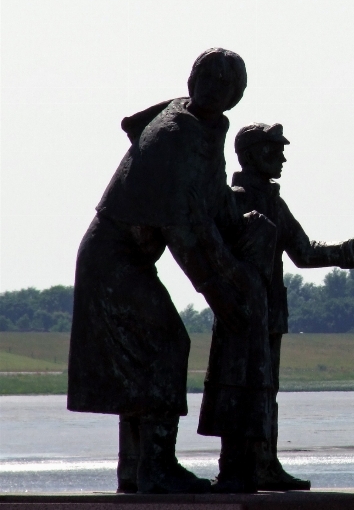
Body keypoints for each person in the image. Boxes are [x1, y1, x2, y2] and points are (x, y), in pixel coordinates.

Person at [68, 48, 275, 494]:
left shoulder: (204, 130)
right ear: (194, 82)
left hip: (129, 259)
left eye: (228, 86)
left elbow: (213, 200)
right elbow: (184, 230)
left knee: (147, 355)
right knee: (165, 343)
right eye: (212, 82)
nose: (219, 93)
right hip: (113, 259)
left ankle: (137, 468)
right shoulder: (173, 135)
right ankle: (155, 466)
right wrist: (224, 290)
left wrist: (242, 226)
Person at [197, 122, 354, 491]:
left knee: (266, 389)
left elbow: (302, 251)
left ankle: (265, 464)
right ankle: (236, 467)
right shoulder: (233, 199)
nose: (283, 157)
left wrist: (351, 249)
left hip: (270, 314)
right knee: (237, 384)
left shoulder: (272, 201)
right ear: (251, 155)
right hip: (239, 314)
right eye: (274, 150)